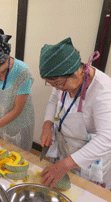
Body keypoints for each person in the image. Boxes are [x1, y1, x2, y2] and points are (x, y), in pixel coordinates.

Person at [39, 37, 111, 190]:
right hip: (66, 148)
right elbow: (53, 100)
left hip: (90, 159)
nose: (57, 88)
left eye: (59, 83)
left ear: (78, 71)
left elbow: (106, 139)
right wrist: (47, 125)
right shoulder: (61, 79)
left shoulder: (103, 91)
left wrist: (64, 165)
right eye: (51, 84)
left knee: (85, 196)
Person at [0, 29, 35, 152]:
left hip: (18, 125)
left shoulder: (23, 73)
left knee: (17, 159)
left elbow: (17, 109)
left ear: (7, 58)